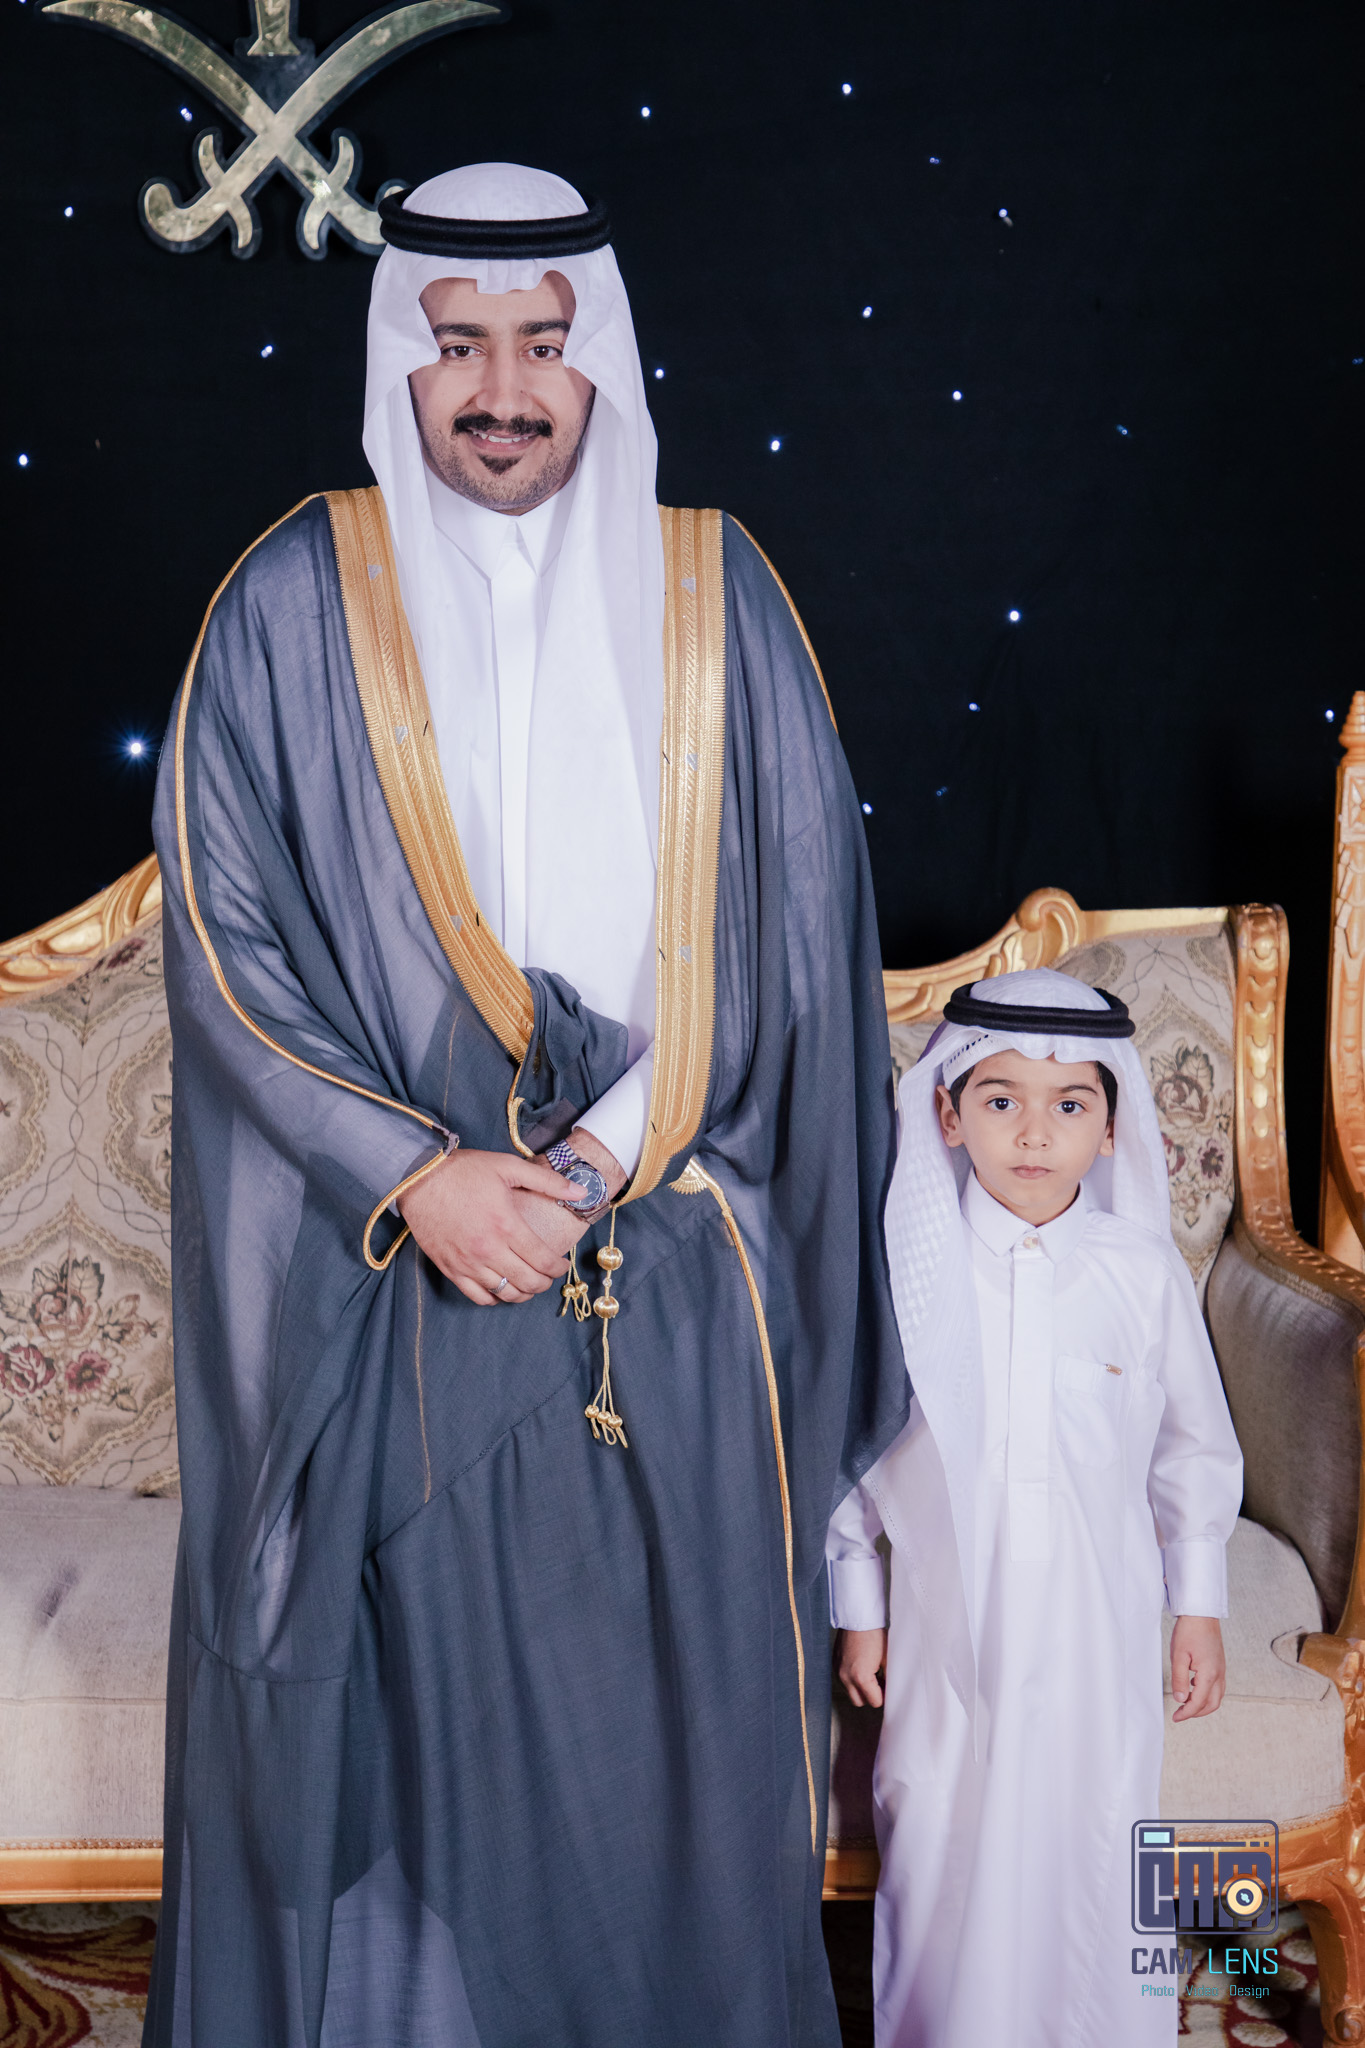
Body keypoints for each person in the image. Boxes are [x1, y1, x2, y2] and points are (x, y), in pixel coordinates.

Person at [142, 161, 909, 2047]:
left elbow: (794, 947)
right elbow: (228, 952)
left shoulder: (718, 598)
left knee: (662, 1792)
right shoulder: (289, 599)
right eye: (461, 344)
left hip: (671, 1256)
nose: (504, 390)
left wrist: (585, 1158)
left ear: (601, 360)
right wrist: (422, 1177)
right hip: (398, 1274)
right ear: (398, 361)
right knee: (404, 1763)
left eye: (544, 346)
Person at [827, 967, 1243, 2048]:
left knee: (1094, 1834)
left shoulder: (1138, 1271)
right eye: (1001, 1097)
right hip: (945, 1625)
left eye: (1069, 1104)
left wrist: (1197, 1605)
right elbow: (854, 1452)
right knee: (939, 1831)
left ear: (1111, 1128)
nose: (1033, 1131)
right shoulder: (908, 1271)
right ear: (948, 1114)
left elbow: (1192, 1448)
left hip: (1099, 1629)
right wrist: (859, 1605)